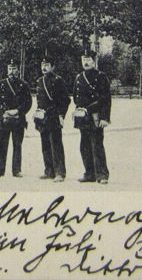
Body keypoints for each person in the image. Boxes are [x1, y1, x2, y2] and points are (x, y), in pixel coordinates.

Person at [73, 50, 111, 184]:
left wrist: (105, 118)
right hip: (83, 117)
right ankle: (89, 173)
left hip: (95, 116)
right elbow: (75, 98)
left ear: (94, 61)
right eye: (83, 59)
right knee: (84, 146)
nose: (85, 62)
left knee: (97, 146)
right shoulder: (79, 77)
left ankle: (102, 175)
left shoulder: (101, 77)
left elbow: (106, 99)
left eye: (88, 59)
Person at [0, 61, 32, 178]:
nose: (11, 72)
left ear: (18, 70)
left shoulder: (23, 85)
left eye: (14, 69)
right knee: (0, 145)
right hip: (4, 118)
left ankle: (16, 170)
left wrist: (18, 111)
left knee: (17, 145)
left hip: (18, 119)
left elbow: (28, 102)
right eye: (10, 68)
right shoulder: (1, 84)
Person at [34, 57, 70, 182]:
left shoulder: (58, 80)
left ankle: (60, 172)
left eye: (47, 65)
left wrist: (61, 115)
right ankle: (49, 171)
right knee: (45, 145)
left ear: (52, 66)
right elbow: (39, 100)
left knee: (56, 145)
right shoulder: (39, 81)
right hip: (43, 117)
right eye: (42, 64)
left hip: (54, 116)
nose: (44, 67)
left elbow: (65, 100)